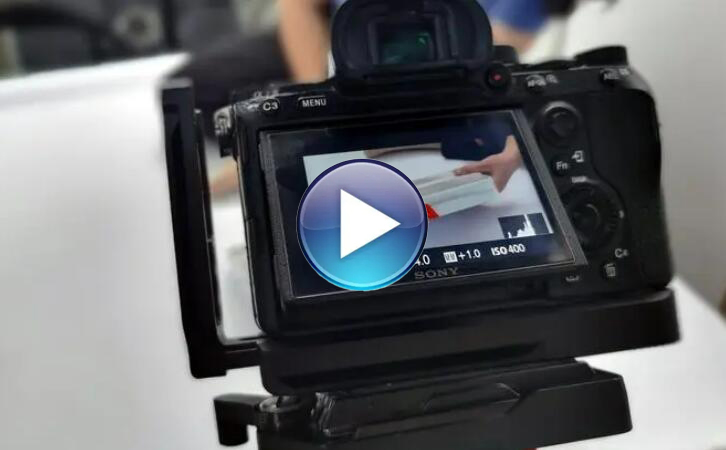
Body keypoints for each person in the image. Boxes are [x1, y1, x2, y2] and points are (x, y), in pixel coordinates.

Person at [279, 0, 550, 83]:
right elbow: (297, 5)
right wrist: (318, 95)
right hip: (344, 59)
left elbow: (493, 40)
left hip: (453, 79)